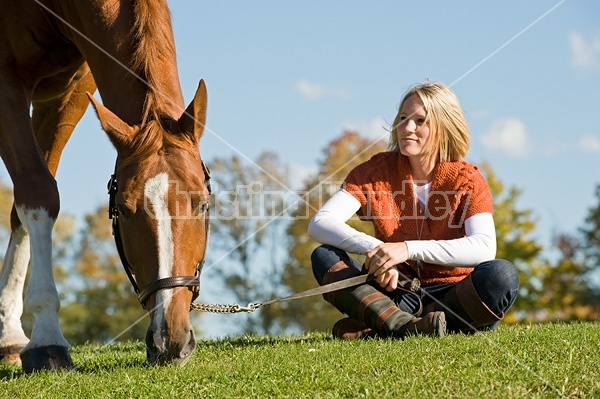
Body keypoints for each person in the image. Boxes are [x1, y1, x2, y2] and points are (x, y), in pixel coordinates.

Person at [308, 81, 519, 339]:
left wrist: (406, 248)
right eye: (403, 118)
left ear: (443, 127)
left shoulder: (468, 179)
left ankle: (384, 324)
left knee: (502, 275)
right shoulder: (375, 172)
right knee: (325, 256)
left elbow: (484, 247)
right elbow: (321, 222)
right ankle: (405, 326)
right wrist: (379, 253)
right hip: (395, 290)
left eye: (420, 121)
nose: (407, 128)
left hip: (453, 295)